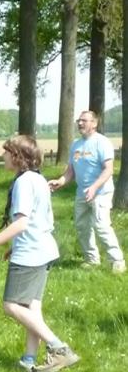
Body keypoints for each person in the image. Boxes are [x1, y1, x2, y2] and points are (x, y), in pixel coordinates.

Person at [0, 135, 80, 372]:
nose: (3, 156)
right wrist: (14, 246)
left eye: (6, 151)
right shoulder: (38, 179)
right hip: (43, 248)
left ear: (18, 156)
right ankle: (28, 360)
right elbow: (37, 219)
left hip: (31, 253)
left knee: (11, 305)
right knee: (33, 308)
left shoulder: (23, 183)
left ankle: (58, 347)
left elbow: (21, 223)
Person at [48, 110, 125, 273]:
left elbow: (108, 170)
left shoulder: (102, 143)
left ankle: (117, 261)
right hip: (82, 193)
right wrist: (60, 181)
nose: (80, 123)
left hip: (101, 192)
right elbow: (70, 171)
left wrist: (95, 187)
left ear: (94, 123)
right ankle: (91, 259)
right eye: (79, 120)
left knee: (101, 225)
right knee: (82, 226)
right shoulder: (76, 145)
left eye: (84, 120)